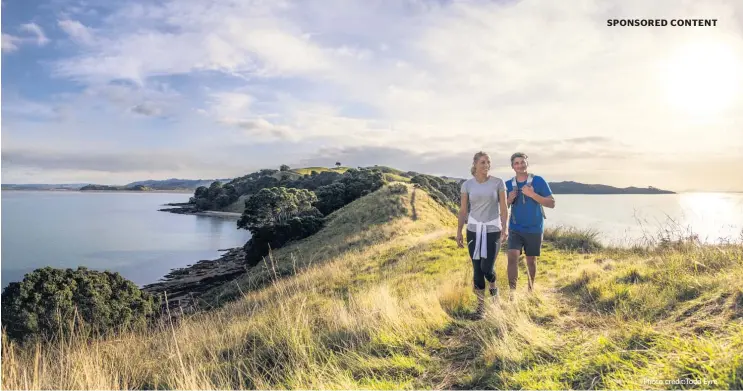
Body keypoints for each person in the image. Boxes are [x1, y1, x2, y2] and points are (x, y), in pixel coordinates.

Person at [457, 151, 508, 318]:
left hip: (492, 229)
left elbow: (504, 208)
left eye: (488, 162)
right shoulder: (467, 185)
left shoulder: (498, 183)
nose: (486, 165)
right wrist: (459, 232)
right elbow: (463, 210)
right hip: (473, 229)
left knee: (487, 267)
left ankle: (493, 287)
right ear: (475, 165)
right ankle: (481, 307)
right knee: (477, 269)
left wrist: (505, 227)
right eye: (483, 162)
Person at [505, 152, 555, 294]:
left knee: (531, 260)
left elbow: (552, 203)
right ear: (512, 167)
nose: (520, 165)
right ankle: (512, 293)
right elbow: (502, 208)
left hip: (534, 228)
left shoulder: (538, 181)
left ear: (527, 163)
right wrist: (509, 200)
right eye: (516, 163)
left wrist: (532, 195)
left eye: (522, 162)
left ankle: (530, 289)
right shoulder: (508, 184)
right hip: (515, 228)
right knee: (512, 256)